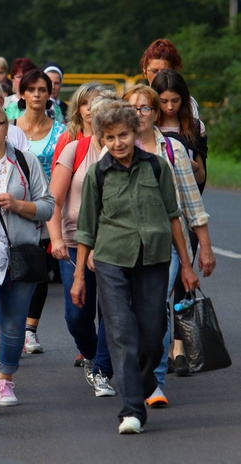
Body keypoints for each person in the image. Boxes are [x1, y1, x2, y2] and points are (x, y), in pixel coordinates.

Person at [71, 100, 199, 434]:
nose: (118, 143)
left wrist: (186, 265)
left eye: (123, 135)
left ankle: (140, 385)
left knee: (153, 335)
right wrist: (78, 275)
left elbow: (174, 217)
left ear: (135, 132)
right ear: (102, 139)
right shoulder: (98, 174)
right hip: (112, 259)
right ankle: (132, 410)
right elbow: (86, 227)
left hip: (155, 259)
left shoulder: (157, 167)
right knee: (121, 332)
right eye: (110, 137)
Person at [123, 84, 216, 404]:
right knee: (128, 312)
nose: (139, 114)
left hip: (168, 242)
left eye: (145, 108)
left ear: (156, 113)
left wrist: (204, 247)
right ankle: (132, 370)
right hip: (122, 244)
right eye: (133, 108)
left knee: (157, 308)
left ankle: (154, 382)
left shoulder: (173, 150)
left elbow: (193, 203)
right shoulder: (117, 147)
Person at [0, 103, 54, 413]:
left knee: (15, 327)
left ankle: (5, 379)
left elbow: (47, 206)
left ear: (7, 126)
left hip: (20, 255)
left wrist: (17, 205)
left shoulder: (25, 162)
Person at [47, 93, 115, 396]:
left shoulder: (126, 151)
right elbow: (54, 201)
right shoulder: (75, 149)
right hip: (75, 243)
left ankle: (102, 369)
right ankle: (91, 353)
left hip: (115, 245)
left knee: (113, 309)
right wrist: (56, 239)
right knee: (78, 314)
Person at [14, 69, 65, 352]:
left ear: (49, 95)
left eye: (42, 90)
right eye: (31, 89)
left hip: (47, 206)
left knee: (39, 269)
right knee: (13, 266)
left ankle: (30, 329)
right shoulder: (8, 127)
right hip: (14, 205)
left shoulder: (61, 132)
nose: (37, 95)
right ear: (22, 93)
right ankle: (9, 327)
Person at [151, 69, 207, 191]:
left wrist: (193, 166)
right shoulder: (149, 125)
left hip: (186, 196)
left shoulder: (195, 127)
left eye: (175, 101)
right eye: (164, 101)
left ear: (184, 98)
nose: (170, 107)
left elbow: (201, 178)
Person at [139, 38, 200, 117]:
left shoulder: (187, 104)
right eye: (154, 71)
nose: (159, 76)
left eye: (165, 71)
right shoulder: (137, 102)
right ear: (144, 69)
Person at [51, 82, 103, 170]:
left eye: (94, 102)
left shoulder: (112, 136)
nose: (89, 107)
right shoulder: (67, 138)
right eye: (83, 103)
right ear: (78, 109)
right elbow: (56, 176)